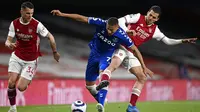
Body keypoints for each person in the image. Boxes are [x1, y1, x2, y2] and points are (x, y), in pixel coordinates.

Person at [99, 5, 197, 112]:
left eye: (154, 17)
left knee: (142, 77)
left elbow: (168, 41)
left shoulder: (154, 30)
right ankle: (102, 90)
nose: (151, 18)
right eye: (150, 15)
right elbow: (120, 21)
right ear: (148, 12)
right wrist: (127, 31)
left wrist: (182, 41)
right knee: (113, 66)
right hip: (121, 46)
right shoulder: (137, 17)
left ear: (157, 19)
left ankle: (131, 106)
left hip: (132, 52)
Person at [51, 10, 152, 112]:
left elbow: (135, 49)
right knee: (89, 86)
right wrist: (63, 14)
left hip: (106, 56)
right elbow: (82, 18)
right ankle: (102, 98)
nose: (109, 32)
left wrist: (143, 66)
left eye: (112, 30)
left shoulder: (122, 35)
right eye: (108, 29)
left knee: (104, 73)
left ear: (117, 27)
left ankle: (101, 104)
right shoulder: (101, 23)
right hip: (94, 54)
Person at [5, 2, 60, 112]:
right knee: (11, 83)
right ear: (21, 12)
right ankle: (13, 108)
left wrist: (54, 52)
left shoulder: (36, 24)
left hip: (31, 60)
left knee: (21, 87)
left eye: (31, 13)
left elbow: (50, 36)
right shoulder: (14, 24)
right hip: (17, 56)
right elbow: (8, 40)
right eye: (27, 13)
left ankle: (27, 79)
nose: (30, 16)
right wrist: (9, 44)